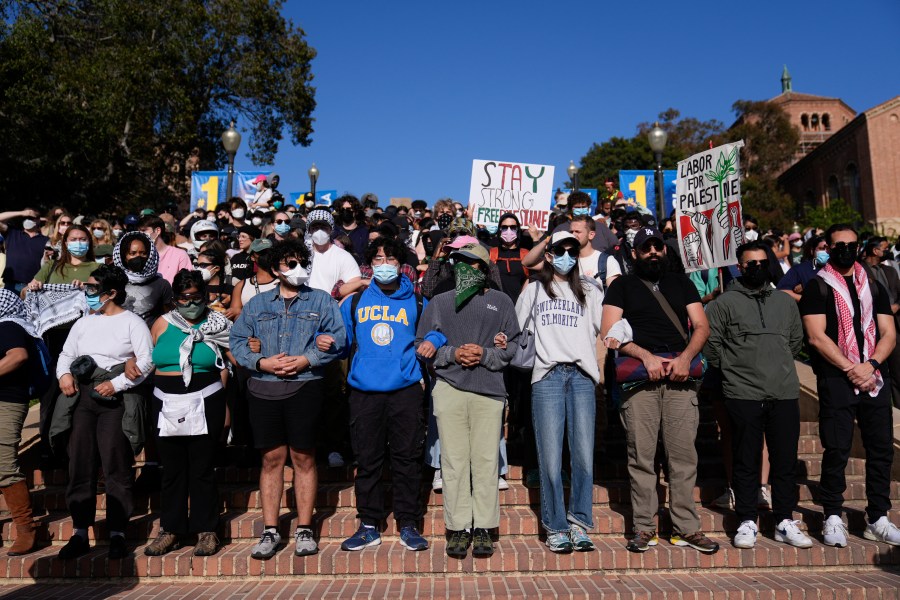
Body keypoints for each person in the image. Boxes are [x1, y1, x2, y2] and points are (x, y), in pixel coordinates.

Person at [601, 227, 719, 554]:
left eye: (658, 247)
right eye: (646, 248)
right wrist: (645, 356)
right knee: (642, 457)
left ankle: (686, 528)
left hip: (681, 376)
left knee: (683, 457)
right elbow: (609, 333)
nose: (653, 252)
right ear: (634, 253)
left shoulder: (682, 283)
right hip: (641, 379)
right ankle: (644, 527)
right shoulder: (621, 285)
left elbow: (702, 326)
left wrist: (685, 358)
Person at [230, 239, 346, 559]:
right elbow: (237, 340)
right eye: (289, 263)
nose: (297, 269)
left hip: (305, 385)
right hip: (263, 387)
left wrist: (307, 359)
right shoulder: (257, 304)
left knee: (303, 458)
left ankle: (305, 528)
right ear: (277, 268)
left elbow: (339, 339)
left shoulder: (321, 301)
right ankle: (270, 530)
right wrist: (260, 362)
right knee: (271, 459)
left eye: (301, 262)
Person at [415, 242, 520, 559]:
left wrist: (487, 354)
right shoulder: (440, 301)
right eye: (457, 261)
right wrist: (452, 354)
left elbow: (512, 345)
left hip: (489, 390)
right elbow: (422, 343)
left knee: (487, 462)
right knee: (454, 462)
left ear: (484, 269)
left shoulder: (501, 302)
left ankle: (485, 528)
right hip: (449, 388)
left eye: (469, 262)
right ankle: (458, 528)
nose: (461, 266)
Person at [704, 242, 811, 550]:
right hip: (742, 392)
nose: (757, 268)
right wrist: (736, 367)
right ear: (739, 266)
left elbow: (794, 341)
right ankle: (747, 519)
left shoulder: (785, 302)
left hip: (783, 391)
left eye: (762, 262)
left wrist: (774, 363)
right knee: (746, 458)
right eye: (750, 263)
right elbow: (712, 346)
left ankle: (783, 520)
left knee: (785, 459)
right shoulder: (724, 303)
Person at [800, 224, 900, 547]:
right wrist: (850, 367)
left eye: (851, 244)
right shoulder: (818, 286)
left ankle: (878, 517)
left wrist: (869, 365)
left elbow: (888, 332)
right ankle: (832, 515)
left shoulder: (874, 283)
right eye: (839, 244)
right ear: (828, 247)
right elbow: (816, 335)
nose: (846, 249)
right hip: (837, 378)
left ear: (859, 246)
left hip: (873, 377)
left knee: (881, 447)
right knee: (837, 448)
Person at [335, 237, 430, 552]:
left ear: (400, 263)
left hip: (405, 392)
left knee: (407, 460)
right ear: (369, 265)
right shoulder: (354, 301)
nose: (384, 264)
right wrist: (328, 341)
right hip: (365, 393)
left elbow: (434, 330)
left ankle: (408, 523)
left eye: (390, 258)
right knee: (369, 461)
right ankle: (368, 525)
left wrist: (436, 340)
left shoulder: (417, 302)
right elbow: (343, 343)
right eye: (377, 259)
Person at [54, 265, 154, 559]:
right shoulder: (83, 322)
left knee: (116, 464)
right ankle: (80, 532)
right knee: (80, 464)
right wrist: (63, 375)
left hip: (115, 400)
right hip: (83, 397)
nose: (88, 293)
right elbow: (66, 354)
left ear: (111, 293)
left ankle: (117, 533)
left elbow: (146, 361)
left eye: (93, 288)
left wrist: (118, 383)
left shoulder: (132, 322)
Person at [517, 232, 604, 553]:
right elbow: (516, 328)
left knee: (582, 457)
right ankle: (555, 526)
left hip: (582, 377)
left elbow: (606, 329)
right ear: (550, 255)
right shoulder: (535, 289)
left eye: (572, 250)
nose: (567, 255)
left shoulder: (591, 291)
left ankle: (579, 522)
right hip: (547, 377)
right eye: (560, 250)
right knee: (550, 460)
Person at [144, 270, 231, 557]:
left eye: (196, 297)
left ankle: (207, 530)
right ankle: (171, 529)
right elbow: (147, 359)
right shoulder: (162, 323)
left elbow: (236, 358)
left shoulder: (218, 323)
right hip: (165, 399)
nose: (190, 303)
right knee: (172, 469)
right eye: (184, 298)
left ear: (204, 297)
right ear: (175, 300)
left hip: (207, 398)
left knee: (202, 467)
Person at [0, 289, 42, 555]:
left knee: (4, 462)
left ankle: (26, 529)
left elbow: (18, 356)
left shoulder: (9, 325)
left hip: (6, 400)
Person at [113, 231, 174, 326]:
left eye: (143, 253)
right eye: (132, 253)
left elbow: (169, 316)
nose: (138, 257)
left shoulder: (161, 284)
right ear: (124, 257)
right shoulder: (115, 282)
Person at [0, 209, 49, 293]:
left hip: (33, 285)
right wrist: (21, 213)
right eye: (25, 218)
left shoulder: (46, 240)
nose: (27, 220)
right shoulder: (13, 233)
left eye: (31, 217)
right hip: (12, 284)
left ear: (38, 220)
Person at [139, 215, 193, 285]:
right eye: (139, 231)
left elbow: (188, 283)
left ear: (157, 231)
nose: (140, 234)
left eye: (144, 230)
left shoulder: (180, 255)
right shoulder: (140, 255)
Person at [777, 236, 828, 302]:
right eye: (821, 249)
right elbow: (782, 290)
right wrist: (805, 300)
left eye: (827, 249)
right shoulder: (800, 269)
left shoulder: (838, 268)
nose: (825, 252)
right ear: (812, 251)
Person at [195, 248, 232, 312]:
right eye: (197, 265)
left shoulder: (231, 290)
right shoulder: (196, 289)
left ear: (217, 268)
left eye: (203, 265)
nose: (199, 269)